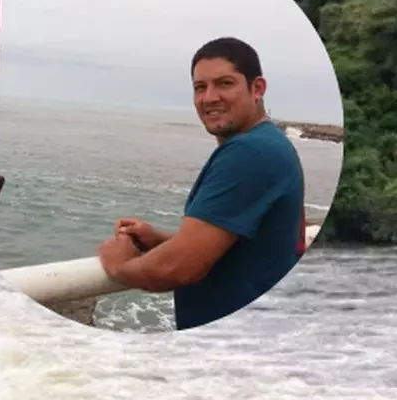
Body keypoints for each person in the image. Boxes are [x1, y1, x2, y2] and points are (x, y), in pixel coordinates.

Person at [96, 37, 306, 331]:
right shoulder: (272, 144)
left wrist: (119, 265)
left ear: (257, 88)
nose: (209, 97)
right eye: (200, 87)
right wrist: (163, 240)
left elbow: (179, 268)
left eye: (225, 84)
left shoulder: (249, 153)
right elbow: (242, 252)